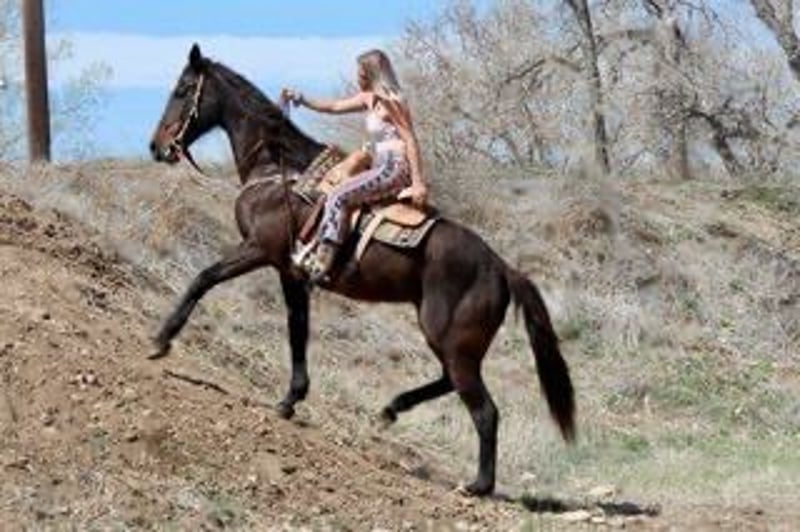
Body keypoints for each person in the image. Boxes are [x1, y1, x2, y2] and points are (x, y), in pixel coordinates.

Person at [282, 49, 427, 282]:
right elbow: (333, 107)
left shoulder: (391, 101)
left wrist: (418, 182)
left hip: (394, 166)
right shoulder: (368, 98)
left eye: (360, 72)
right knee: (334, 187)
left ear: (371, 73)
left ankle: (323, 260)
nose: (357, 76)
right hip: (380, 164)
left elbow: (410, 138)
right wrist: (301, 98)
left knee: (339, 195)